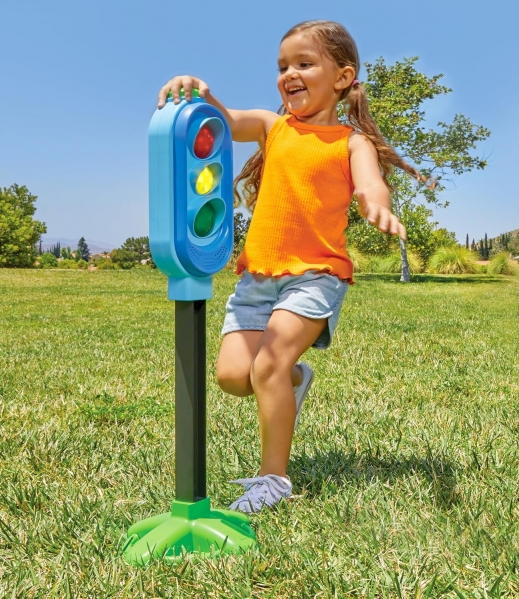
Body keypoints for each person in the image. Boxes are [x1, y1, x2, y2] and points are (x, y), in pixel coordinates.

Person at [157, 20, 427, 513]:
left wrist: (376, 204)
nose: (289, 74)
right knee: (234, 377)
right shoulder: (272, 126)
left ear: (342, 77)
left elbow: (372, 184)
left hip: (317, 275)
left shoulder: (351, 143)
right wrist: (199, 93)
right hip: (257, 278)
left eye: (304, 63)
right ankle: (295, 380)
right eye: (283, 66)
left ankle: (273, 479)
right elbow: (224, 121)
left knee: (269, 365)